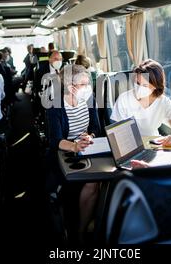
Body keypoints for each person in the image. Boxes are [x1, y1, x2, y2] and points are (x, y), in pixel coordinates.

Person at [46, 64, 100, 238]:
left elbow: (96, 128)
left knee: (97, 183)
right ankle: (77, 230)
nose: (88, 88)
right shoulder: (56, 105)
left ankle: (85, 225)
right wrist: (75, 146)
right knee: (81, 186)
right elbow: (55, 140)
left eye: (88, 84)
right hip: (64, 151)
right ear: (71, 87)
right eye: (84, 84)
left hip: (86, 147)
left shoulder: (90, 99)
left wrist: (89, 136)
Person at [111, 59, 171, 147]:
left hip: (154, 145)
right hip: (130, 146)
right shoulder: (124, 99)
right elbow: (116, 132)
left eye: (144, 85)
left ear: (156, 86)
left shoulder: (163, 101)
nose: (139, 87)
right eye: (137, 83)